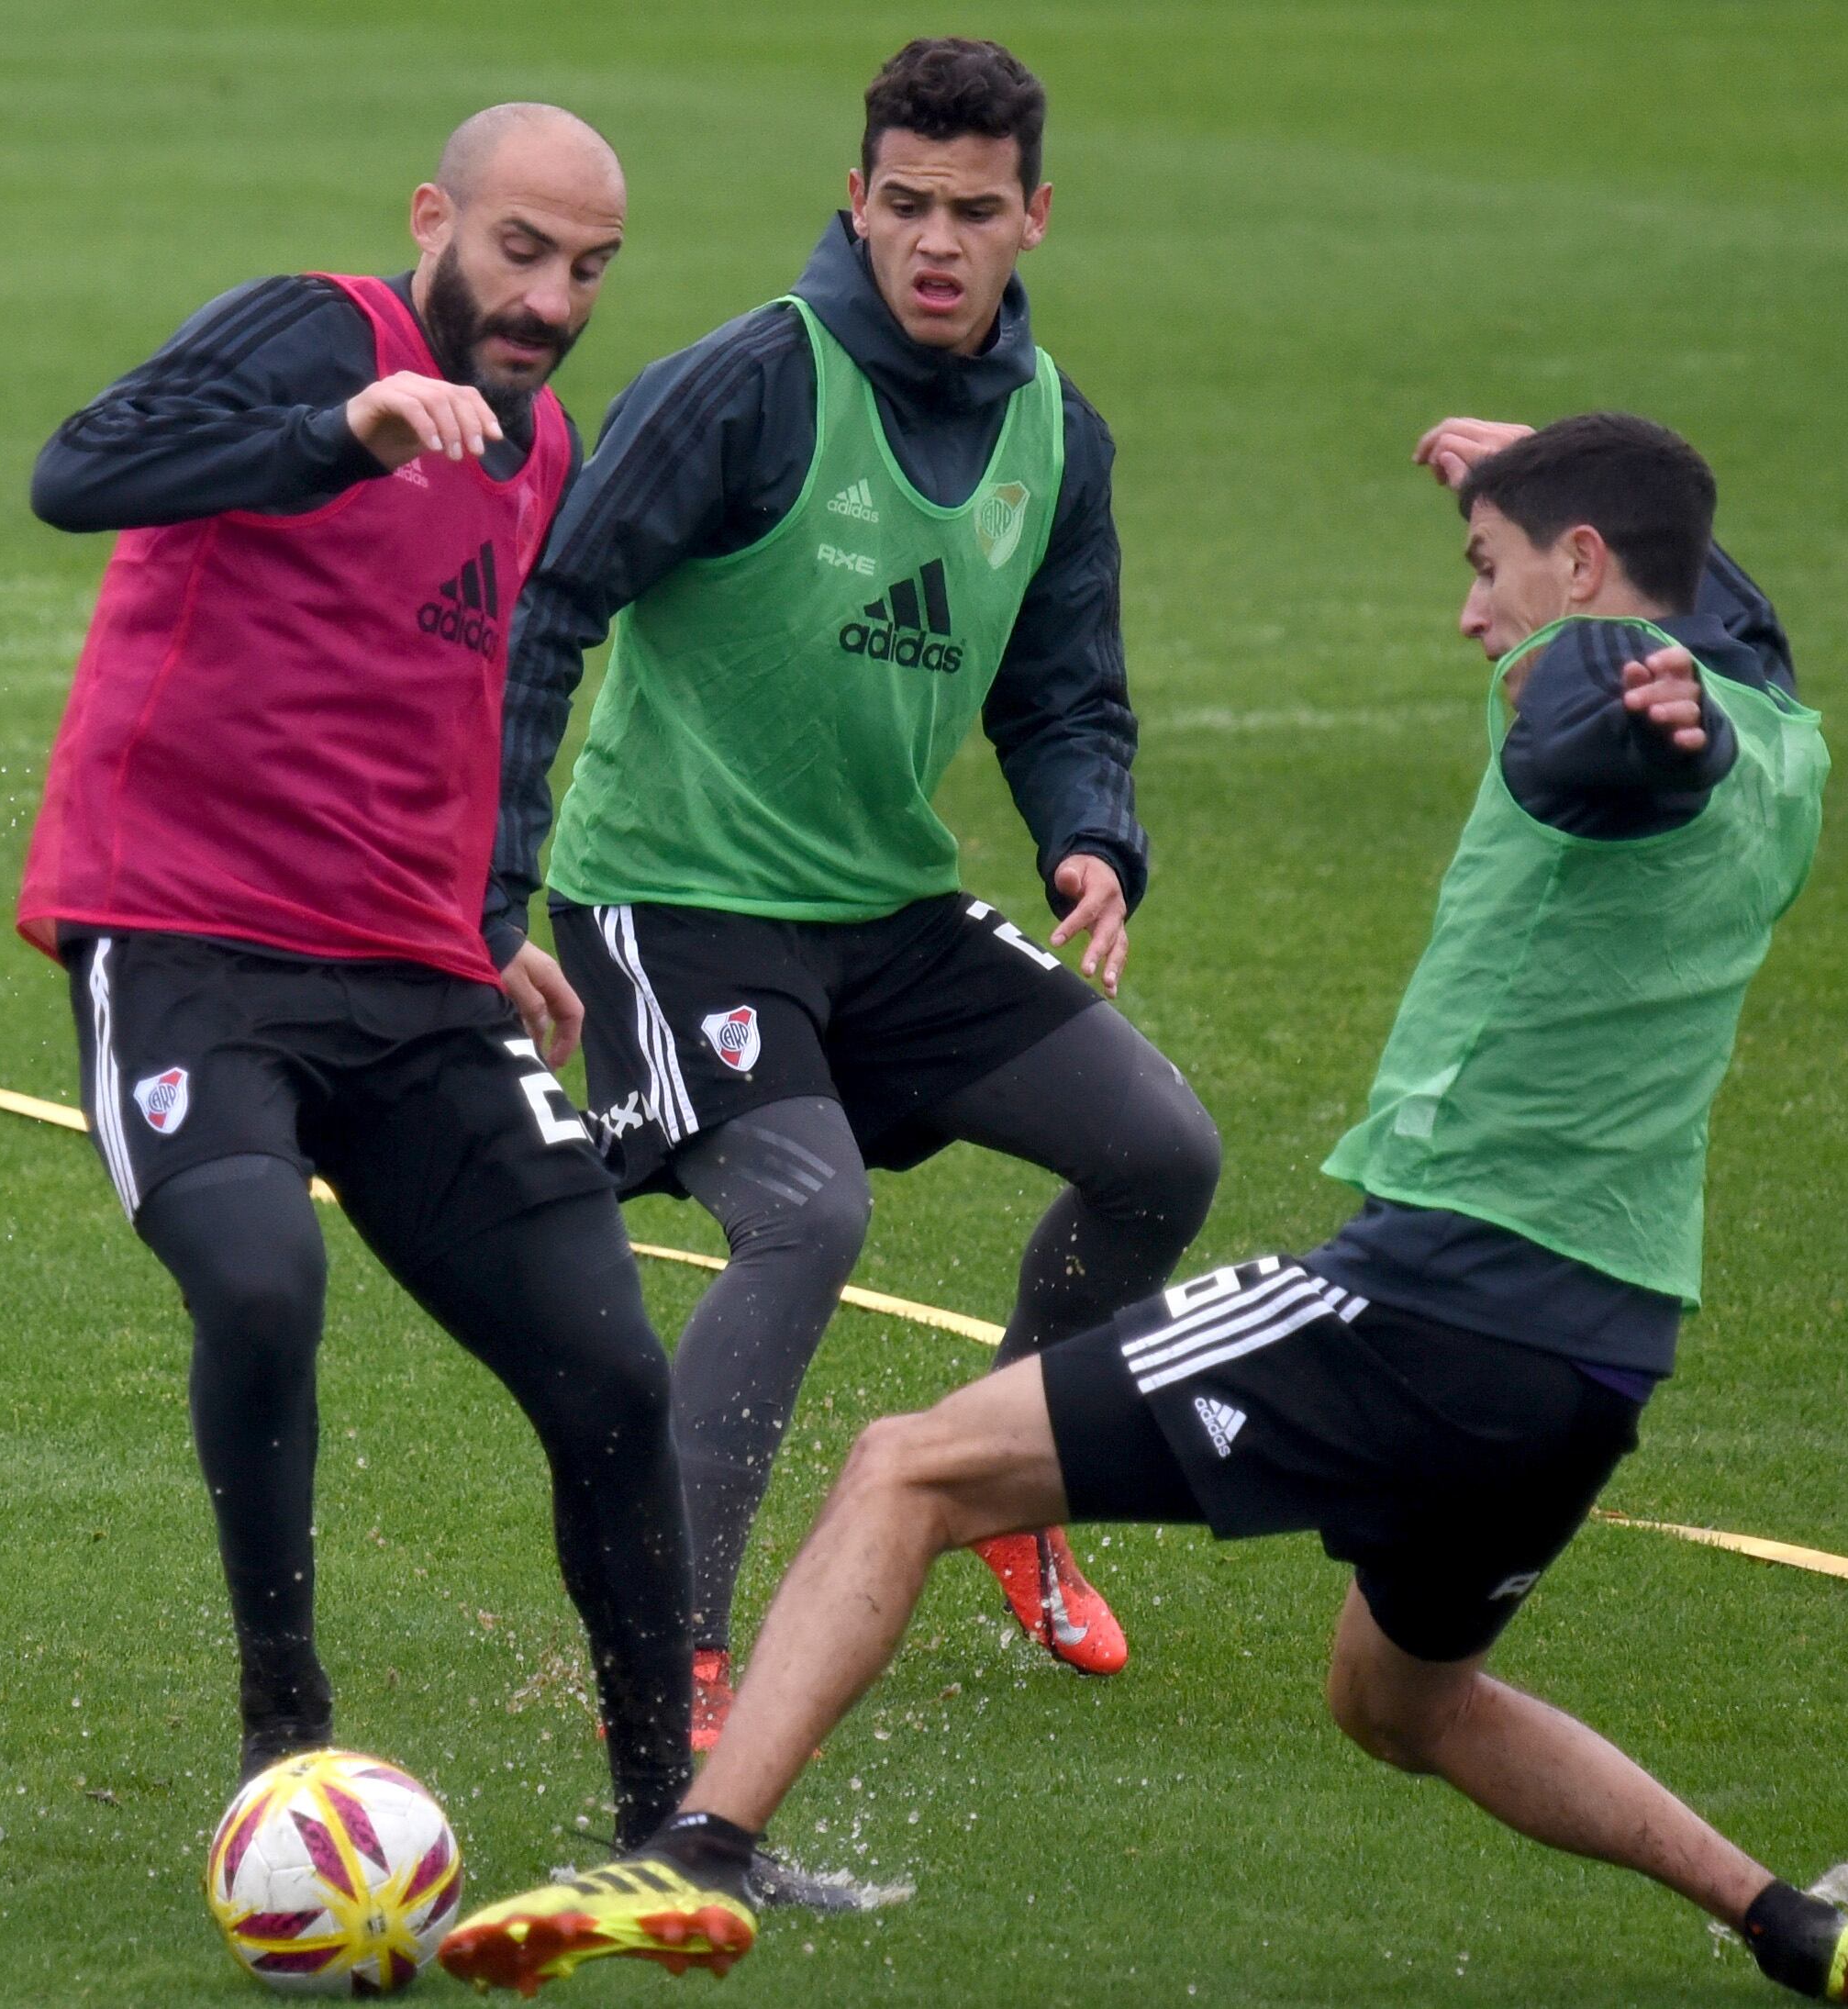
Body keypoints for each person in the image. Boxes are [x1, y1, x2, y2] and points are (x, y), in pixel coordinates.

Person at [437, 415, 1848, 2003]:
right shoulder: (1783, 745)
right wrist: (1616, 584)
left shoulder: (1596, 700)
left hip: (1427, 1303)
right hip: (1600, 1363)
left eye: (1489, 566)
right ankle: (1792, 1926)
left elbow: (1590, 734)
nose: (1472, 612)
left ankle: (694, 1855)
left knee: (905, 1465)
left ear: (1586, 567)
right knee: (1402, 1703)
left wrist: (1633, 709)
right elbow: (1725, 639)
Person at [484, 37, 1218, 1724]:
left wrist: (1090, 835)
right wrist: (497, 892)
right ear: (857, 198)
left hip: (878, 910)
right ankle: (664, 1652)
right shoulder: (742, 385)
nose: (936, 241)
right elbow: (547, 612)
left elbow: (1064, 685)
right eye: (904, 204)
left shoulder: (1058, 434)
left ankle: (1015, 1488)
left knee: (1160, 1153)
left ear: (1035, 215)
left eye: (974, 210)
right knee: (808, 1210)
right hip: (670, 901)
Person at [17, 106, 701, 1843]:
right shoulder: (319, 331)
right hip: (183, 939)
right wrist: (338, 430)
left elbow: (451, 704)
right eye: (522, 251)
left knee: (615, 1376)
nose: (550, 300)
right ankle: (284, 1736)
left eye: (589, 269)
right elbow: (77, 471)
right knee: (259, 1283)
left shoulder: (540, 447)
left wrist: (486, 925)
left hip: (410, 983)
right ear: (436, 219)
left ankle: (669, 1827)